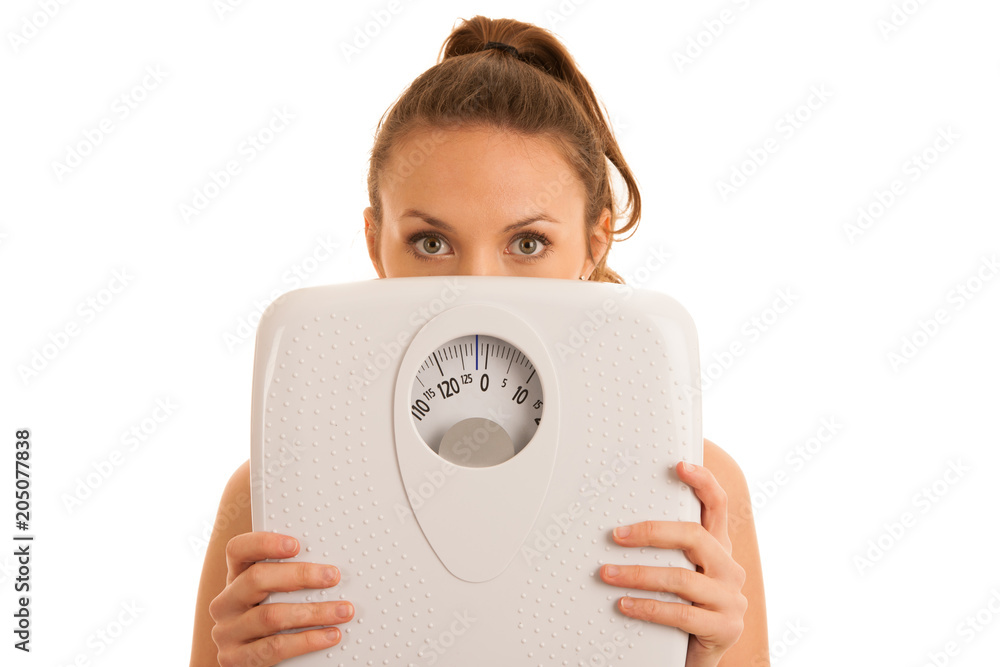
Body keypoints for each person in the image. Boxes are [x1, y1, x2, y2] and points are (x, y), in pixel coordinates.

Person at [189, 15, 768, 667]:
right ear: (375, 244)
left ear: (594, 244)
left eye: (529, 243)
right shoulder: (278, 484)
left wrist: (705, 657)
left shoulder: (694, 486)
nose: (477, 287)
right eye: (431, 242)